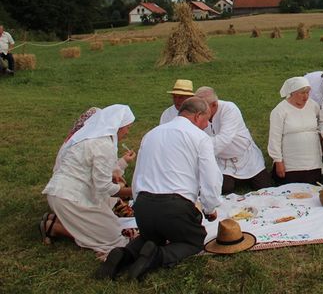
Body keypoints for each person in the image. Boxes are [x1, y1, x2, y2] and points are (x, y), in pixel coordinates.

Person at [97, 97, 223, 281]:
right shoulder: (200, 137)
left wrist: (137, 203)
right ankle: (156, 256)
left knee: (150, 237)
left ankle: (123, 254)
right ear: (197, 116)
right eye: (206, 119)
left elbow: (138, 174)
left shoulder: (151, 134)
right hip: (174, 207)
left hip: (143, 206)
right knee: (193, 240)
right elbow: (211, 178)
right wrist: (210, 208)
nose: (207, 125)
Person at [41, 105, 135, 258]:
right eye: (127, 128)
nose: (127, 132)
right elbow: (104, 187)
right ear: (118, 126)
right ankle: (54, 227)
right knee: (114, 240)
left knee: (113, 225)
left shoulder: (93, 139)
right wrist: (134, 191)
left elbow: (101, 172)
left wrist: (122, 164)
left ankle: (59, 220)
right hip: (70, 198)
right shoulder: (103, 144)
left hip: (64, 195)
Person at [195, 86, 272, 194]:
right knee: (224, 188)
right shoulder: (197, 114)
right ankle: (233, 180)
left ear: (214, 105)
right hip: (223, 161)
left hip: (246, 157)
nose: (199, 112)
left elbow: (224, 139)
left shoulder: (229, 109)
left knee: (265, 186)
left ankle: (243, 179)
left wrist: (203, 151)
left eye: (203, 108)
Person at [268, 77, 323, 185]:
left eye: (307, 93)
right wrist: (278, 161)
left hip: (313, 161)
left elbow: (321, 123)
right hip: (291, 164)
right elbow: (274, 138)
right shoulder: (280, 110)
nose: (305, 96)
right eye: (302, 93)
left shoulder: (313, 105)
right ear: (292, 93)